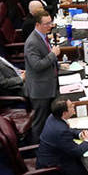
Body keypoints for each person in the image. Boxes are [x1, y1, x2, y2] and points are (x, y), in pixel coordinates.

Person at [37, 96, 88, 175]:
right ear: (65, 113)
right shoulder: (60, 130)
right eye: (71, 106)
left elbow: (68, 130)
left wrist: (80, 134)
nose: (74, 106)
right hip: (53, 166)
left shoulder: (53, 117)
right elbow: (76, 152)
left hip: (49, 156)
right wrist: (87, 141)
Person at [23, 10, 60, 141]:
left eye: (51, 22)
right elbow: (37, 65)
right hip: (40, 90)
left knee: (51, 117)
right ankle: (38, 148)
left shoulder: (43, 36)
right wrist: (53, 55)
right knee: (40, 121)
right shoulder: (32, 42)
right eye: (47, 24)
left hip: (49, 83)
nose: (50, 26)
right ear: (38, 25)